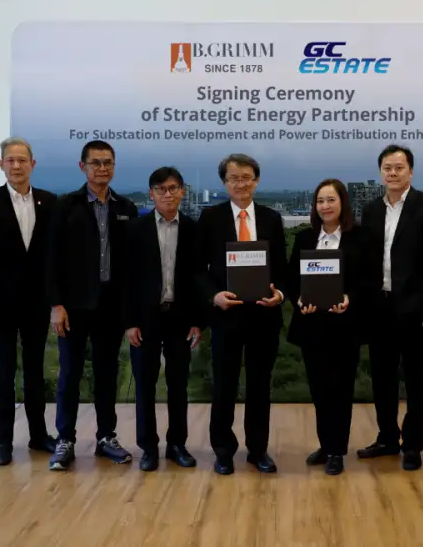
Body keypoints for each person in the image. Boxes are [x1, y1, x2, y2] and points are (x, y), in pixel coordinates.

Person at [45, 140, 138, 471]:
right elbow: (51, 259)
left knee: (106, 374)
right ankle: (65, 439)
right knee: (70, 373)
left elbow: (131, 264)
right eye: (95, 162)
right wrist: (56, 304)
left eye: (107, 162)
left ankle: (106, 437)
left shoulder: (125, 207)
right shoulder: (65, 206)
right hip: (73, 307)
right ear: (82, 166)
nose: (102, 168)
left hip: (110, 307)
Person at [198, 153, 287, 475]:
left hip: (264, 316)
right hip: (227, 317)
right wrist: (213, 296)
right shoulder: (211, 218)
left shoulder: (271, 218)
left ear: (256, 181)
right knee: (224, 386)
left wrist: (280, 294)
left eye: (246, 177)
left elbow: (281, 267)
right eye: (233, 178)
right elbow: (197, 269)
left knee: (260, 387)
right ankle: (223, 451)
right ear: (224, 183)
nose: (240, 184)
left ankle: (258, 450)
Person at [0, 137, 58, 466]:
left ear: (32, 164)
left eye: (23, 160)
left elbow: (54, 256)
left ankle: (38, 435)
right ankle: (4, 441)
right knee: (5, 372)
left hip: (38, 302)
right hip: (2, 303)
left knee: (35, 372)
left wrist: (55, 300)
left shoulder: (49, 201)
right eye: (10, 160)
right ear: (1, 165)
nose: (17, 166)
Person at [286, 179, 377, 476]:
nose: (325, 206)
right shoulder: (304, 238)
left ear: (342, 203)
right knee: (319, 390)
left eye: (331, 200)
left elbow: (369, 279)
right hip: (312, 325)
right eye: (320, 201)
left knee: (340, 390)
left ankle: (337, 450)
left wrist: (350, 298)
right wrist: (299, 299)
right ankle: (325, 445)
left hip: (345, 326)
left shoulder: (359, 237)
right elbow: (291, 279)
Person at [356, 144, 423, 471]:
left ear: (411, 172)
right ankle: (387, 437)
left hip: (414, 307)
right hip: (379, 307)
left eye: (399, 168)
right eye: (387, 168)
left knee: (415, 379)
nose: (393, 173)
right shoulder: (371, 210)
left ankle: (413, 444)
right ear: (381, 173)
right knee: (382, 378)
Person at [124, 167, 208, 472]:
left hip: (180, 319)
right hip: (144, 319)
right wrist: (129, 321)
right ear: (151, 194)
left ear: (183, 192)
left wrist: (198, 320)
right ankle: (148, 447)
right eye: (161, 189)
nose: (167, 194)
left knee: (178, 385)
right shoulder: (135, 229)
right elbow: (125, 280)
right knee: (145, 386)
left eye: (173, 188)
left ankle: (177, 445)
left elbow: (200, 278)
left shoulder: (194, 229)